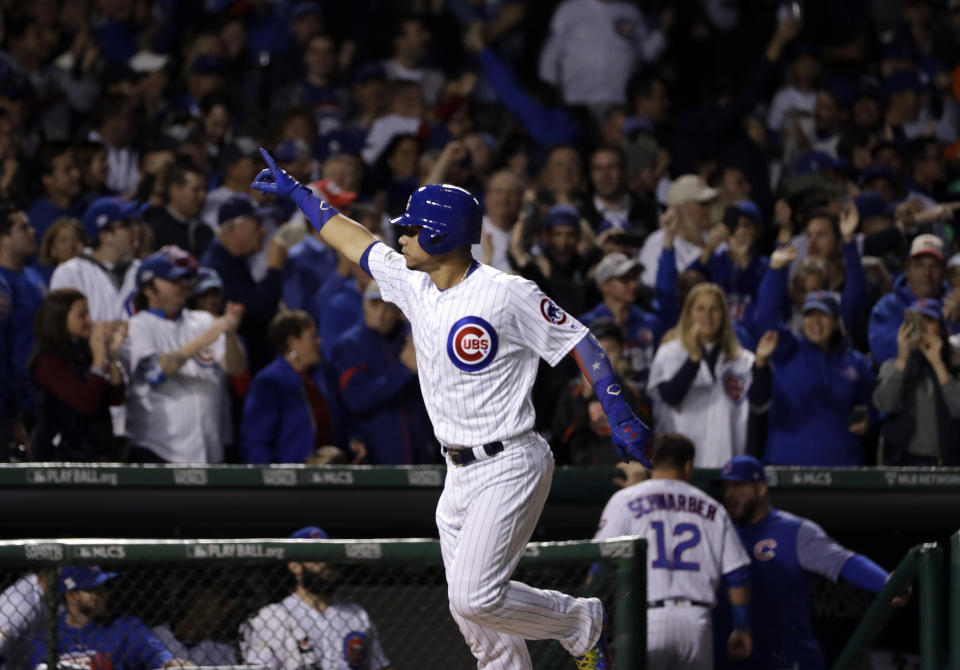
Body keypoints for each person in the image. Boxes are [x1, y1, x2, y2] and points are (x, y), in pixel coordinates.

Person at [252, 148, 652, 670]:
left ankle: (579, 620)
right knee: (481, 630)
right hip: (456, 472)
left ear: (440, 236)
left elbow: (580, 340)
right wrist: (303, 196)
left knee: (476, 598)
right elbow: (354, 240)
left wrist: (618, 411)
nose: (402, 235)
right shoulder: (414, 282)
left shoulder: (505, 292)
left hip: (509, 460)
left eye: (412, 228)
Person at [718, 455, 908, 670]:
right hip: (737, 656)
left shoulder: (794, 531)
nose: (730, 495)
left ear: (761, 488)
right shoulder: (720, 531)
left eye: (737, 486)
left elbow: (845, 562)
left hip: (788, 656)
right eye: (726, 488)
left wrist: (885, 582)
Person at [594, 433, 752, 669]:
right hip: (696, 622)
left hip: (646, 619)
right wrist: (742, 627)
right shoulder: (713, 508)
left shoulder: (625, 499)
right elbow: (738, 574)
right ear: (688, 465)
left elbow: (599, 566)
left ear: (652, 461)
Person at [122, 246, 246, 463]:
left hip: (209, 447)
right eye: (173, 281)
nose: (183, 285)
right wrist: (208, 336)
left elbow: (235, 368)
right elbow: (154, 372)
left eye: (185, 279)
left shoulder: (203, 321)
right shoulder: (137, 326)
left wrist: (229, 335)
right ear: (149, 289)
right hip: (159, 449)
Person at [752, 284, 875, 465]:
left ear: (835, 322)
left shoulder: (857, 363)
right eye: (809, 315)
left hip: (841, 464)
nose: (815, 322)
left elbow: (872, 407)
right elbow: (765, 317)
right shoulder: (788, 350)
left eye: (823, 315)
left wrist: (869, 420)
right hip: (788, 463)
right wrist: (776, 271)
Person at [239, 526, 394, 670]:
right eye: (317, 556)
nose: (326, 563)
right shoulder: (273, 617)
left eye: (329, 555)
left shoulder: (356, 614)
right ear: (295, 566)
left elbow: (380, 665)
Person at [648, 284, 755, 468]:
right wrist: (693, 360)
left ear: (724, 315)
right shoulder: (670, 353)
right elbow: (671, 396)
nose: (707, 316)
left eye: (715, 309)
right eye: (700, 309)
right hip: (679, 464)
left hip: (727, 461)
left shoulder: (743, 360)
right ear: (688, 314)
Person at [330, 281, 434, 464]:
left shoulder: (416, 337)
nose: (380, 314)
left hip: (423, 449)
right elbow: (356, 399)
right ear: (364, 305)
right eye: (374, 305)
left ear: (399, 310)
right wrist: (404, 370)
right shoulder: (350, 346)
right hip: (377, 452)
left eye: (387, 306)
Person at [29, 289, 126, 461]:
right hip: (59, 457)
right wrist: (98, 358)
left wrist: (111, 357)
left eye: (88, 313)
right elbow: (85, 402)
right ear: (60, 317)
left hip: (95, 451)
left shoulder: (83, 351)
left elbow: (116, 397)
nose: (89, 320)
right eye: (82, 315)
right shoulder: (47, 360)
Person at [28, 566, 188, 669]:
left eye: (103, 588)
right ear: (72, 596)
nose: (104, 594)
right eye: (93, 590)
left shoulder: (126, 628)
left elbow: (159, 656)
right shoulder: (48, 636)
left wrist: (171, 663)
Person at [241, 310, 347, 464]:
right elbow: (256, 443)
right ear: (292, 342)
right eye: (313, 336)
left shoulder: (320, 377)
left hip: (326, 478)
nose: (319, 341)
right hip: (289, 482)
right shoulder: (268, 382)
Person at [199, 195, 286, 372]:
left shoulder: (233, 259)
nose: (263, 231)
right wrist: (274, 270)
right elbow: (255, 312)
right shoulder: (215, 267)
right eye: (257, 224)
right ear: (233, 228)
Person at [873, 298, 960, 465]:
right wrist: (902, 358)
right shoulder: (893, 366)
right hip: (903, 463)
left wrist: (938, 363)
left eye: (929, 321)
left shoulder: (955, 368)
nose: (922, 329)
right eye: (916, 321)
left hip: (948, 464)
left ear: (941, 329)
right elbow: (884, 404)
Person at [552, 320, 647, 466]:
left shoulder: (632, 392)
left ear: (621, 352)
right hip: (579, 474)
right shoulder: (573, 391)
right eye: (597, 349)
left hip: (621, 472)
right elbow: (560, 438)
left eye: (610, 349)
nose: (602, 356)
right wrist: (585, 402)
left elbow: (643, 438)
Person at [50, 196, 143, 322]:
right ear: (105, 236)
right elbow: (62, 327)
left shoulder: (142, 271)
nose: (136, 229)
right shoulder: (69, 273)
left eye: (135, 223)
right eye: (127, 225)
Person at [869, 233, 949, 364]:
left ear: (944, 272)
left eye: (934, 266)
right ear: (908, 269)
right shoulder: (888, 306)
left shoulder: (954, 304)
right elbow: (884, 353)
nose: (926, 273)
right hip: (905, 380)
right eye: (919, 265)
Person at [0, 206, 45, 421]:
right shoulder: (2, 284)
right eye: (23, 227)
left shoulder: (34, 277)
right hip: (12, 395)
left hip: (39, 389)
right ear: (4, 239)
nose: (33, 231)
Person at [35, 217, 85, 285]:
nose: (70, 245)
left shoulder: (91, 273)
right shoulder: (44, 281)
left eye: (75, 239)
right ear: (52, 249)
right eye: (63, 240)